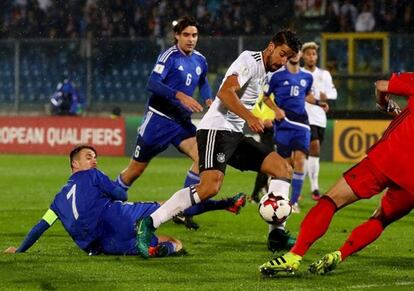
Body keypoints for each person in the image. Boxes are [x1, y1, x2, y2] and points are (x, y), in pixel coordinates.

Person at [135, 29, 302, 258]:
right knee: (209, 188)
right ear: (271, 46)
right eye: (282, 54)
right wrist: (250, 117)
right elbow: (225, 93)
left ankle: (277, 234)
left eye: (288, 58)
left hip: (234, 134)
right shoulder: (249, 60)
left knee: (283, 169)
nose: (283, 62)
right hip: (215, 130)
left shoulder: (265, 71)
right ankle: (150, 223)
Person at [259, 72, 407, 276]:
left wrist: (385, 104)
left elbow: (381, 86)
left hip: (387, 158)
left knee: (331, 201)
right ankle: (340, 254)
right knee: (380, 219)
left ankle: (295, 255)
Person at [4, 145, 246, 257]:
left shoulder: (57, 201)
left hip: (101, 246)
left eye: (96, 158)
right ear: (74, 164)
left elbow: (41, 226)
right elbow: (122, 195)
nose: (94, 161)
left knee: (174, 241)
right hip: (117, 218)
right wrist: (113, 187)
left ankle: (155, 248)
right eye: (89, 157)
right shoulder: (93, 175)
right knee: (171, 205)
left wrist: (20, 250)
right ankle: (225, 204)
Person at [116, 16, 212, 229]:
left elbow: (203, 81)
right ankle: (108, 201)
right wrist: (180, 95)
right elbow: (152, 84)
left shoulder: (200, 60)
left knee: (203, 157)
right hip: (158, 121)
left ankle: (184, 210)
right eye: (186, 35)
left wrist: (208, 98)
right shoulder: (169, 56)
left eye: (194, 35)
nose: (190, 39)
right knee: (135, 171)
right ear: (177, 36)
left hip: (181, 123)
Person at [262, 51, 323, 215]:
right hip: (283, 124)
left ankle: (294, 202)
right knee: (284, 165)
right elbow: (265, 97)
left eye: (298, 51)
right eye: (293, 51)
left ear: (301, 54)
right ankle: (275, 197)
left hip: (302, 125)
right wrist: (276, 110)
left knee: (300, 161)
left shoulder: (307, 77)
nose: (295, 54)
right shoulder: (277, 76)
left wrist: (318, 103)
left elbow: (307, 96)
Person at [302, 42, 337, 200]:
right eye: (308, 54)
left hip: (320, 117)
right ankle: (314, 188)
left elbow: (334, 93)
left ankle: (310, 186)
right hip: (303, 117)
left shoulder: (324, 74)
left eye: (314, 54)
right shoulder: (299, 74)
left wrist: (326, 96)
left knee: (313, 153)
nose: (311, 57)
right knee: (313, 146)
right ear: (303, 56)